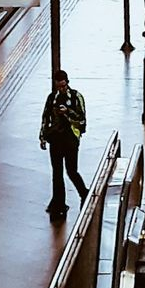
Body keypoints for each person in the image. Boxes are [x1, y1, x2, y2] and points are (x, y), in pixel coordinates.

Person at [38, 67, 88, 221]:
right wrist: (43, 136)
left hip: (71, 139)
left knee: (71, 170)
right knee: (57, 172)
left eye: (63, 86)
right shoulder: (51, 98)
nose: (61, 89)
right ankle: (58, 202)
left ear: (67, 83)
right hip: (56, 139)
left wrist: (67, 112)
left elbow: (82, 120)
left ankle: (83, 193)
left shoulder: (76, 97)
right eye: (59, 86)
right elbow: (45, 117)